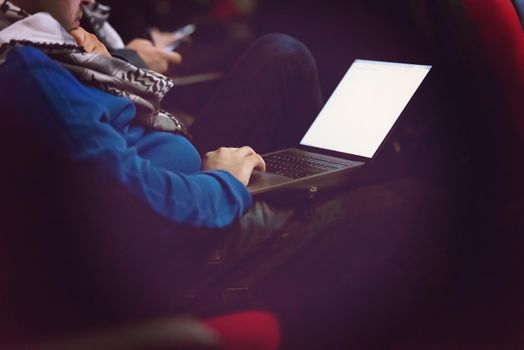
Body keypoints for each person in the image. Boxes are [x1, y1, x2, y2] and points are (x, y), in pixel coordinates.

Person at [0, 0, 456, 348]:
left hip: (189, 184)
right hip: (192, 246)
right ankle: (322, 209)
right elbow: (142, 210)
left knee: (284, 55)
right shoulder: (29, 72)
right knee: (412, 201)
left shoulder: (44, 46)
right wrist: (225, 181)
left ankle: (322, 188)